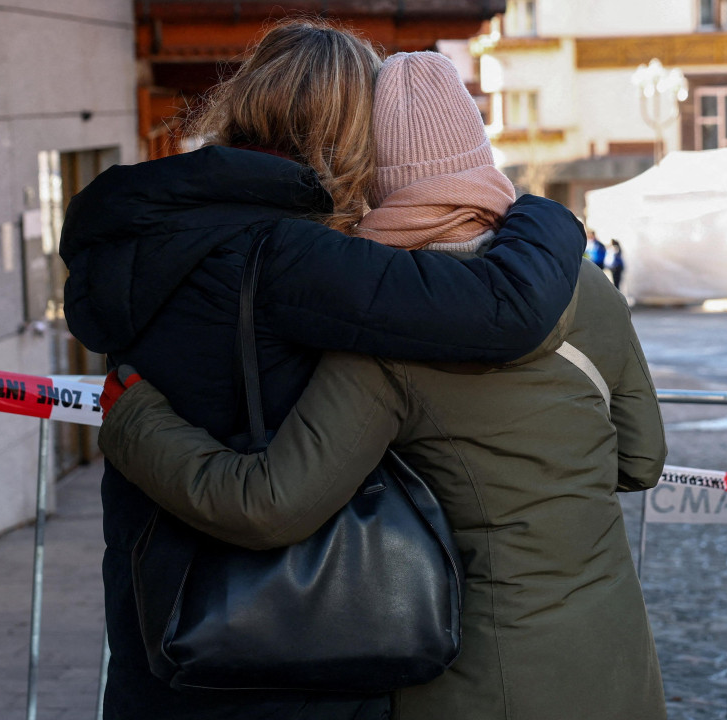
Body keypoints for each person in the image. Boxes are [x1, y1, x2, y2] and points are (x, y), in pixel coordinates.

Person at [95, 52, 667, 720]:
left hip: (479, 677)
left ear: (375, 175)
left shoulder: (383, 341)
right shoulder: (585, 284)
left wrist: (135, 420)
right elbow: (641, 459)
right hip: (616, 654)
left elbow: (274, 503)